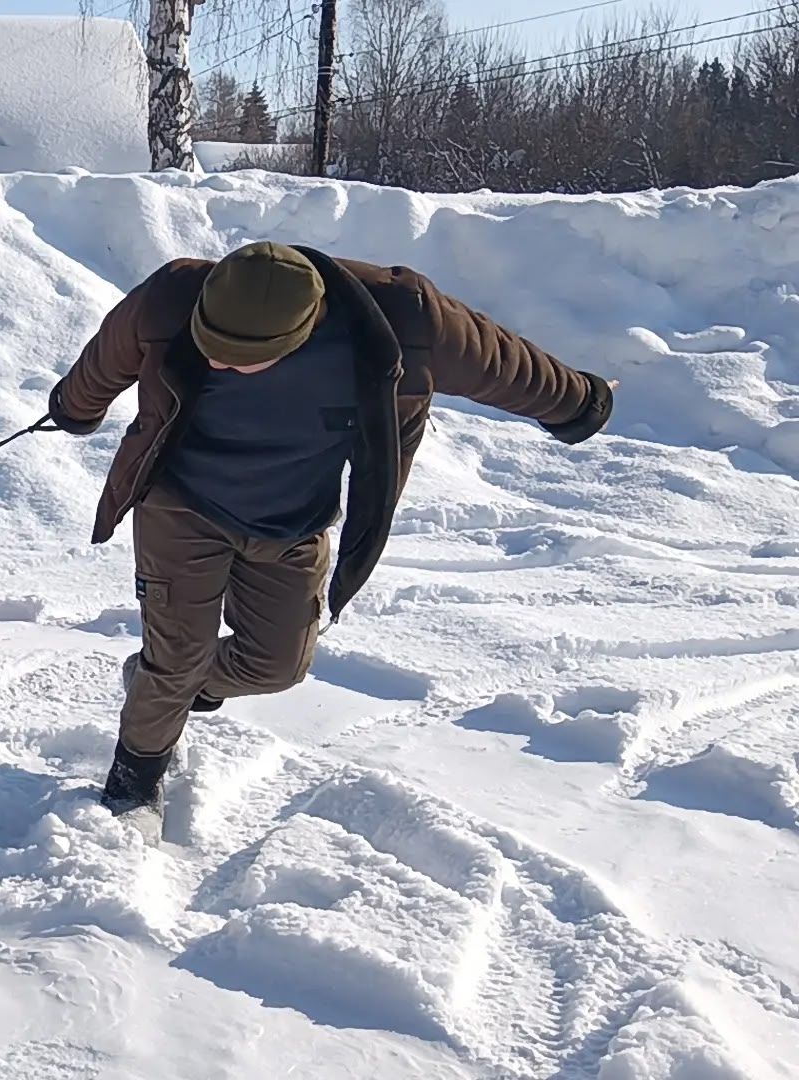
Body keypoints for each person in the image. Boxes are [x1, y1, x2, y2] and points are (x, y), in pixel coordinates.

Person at [46, 241, 616, 834]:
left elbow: (501, 363)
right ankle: (134, 784)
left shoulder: (403, 318)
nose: (216, 365)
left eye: (238, 360)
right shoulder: (171, 298)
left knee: (276, 666)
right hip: (180, 503)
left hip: (294, 519)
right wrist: (73, 408)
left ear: (299, 335)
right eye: (209, 348)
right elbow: (105, 361)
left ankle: (157, 684)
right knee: (178, 656)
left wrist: (581, 404)